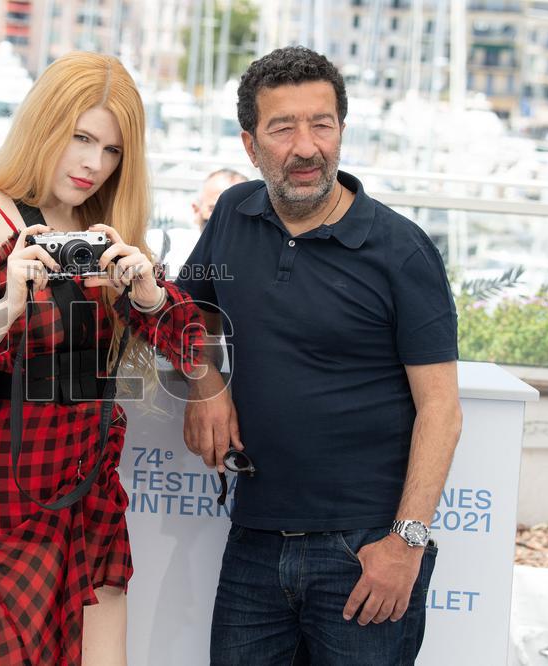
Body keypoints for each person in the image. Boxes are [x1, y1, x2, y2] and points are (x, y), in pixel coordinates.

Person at [176, 46, 462, 665]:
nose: (307, 147)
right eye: (283, 128)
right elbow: (188, 308)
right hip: (254, 540)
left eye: (322, 124)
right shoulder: (232, 212)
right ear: (250, 145)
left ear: (341, 130)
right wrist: (207, 384)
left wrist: (404, 545)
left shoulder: (402, 251)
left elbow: (441, 409)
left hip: (366, 553)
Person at [0, 52, 203, 665]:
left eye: (113, 150)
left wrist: (148, 294)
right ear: (45, 125)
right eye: (81, 138)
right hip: (8, 490)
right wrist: (7, 305)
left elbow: (193, 349)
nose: (94, 164)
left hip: (92, 488)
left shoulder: (105, 234)